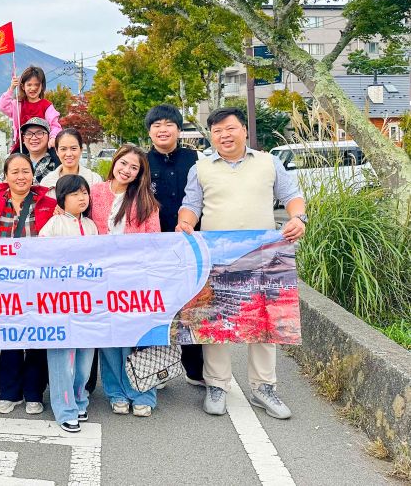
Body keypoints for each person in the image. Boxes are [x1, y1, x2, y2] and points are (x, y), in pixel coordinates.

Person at [177, 107, 307, 420]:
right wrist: (185, 224)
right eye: (218, 131)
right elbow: (191, 205)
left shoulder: (268, 162)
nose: (225, 135)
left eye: (230, 128)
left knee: (264, 320)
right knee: (214, 321)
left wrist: (298, 217)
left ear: (244, 130)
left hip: (263, 254)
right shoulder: (202, 167)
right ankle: (217, 385)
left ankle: (264, 387)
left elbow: (292, 195)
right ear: (212, 136)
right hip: (216, 254)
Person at [0, 153, 56, 415]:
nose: (21, 177)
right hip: (5, 283)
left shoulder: (48, 203)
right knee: (10, 339)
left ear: (33, 174)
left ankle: (34, 393)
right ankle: (9, 392)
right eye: (15, 172)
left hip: (39, 282)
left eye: (25, 171)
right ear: (6, 176)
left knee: (36, 340)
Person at [92, 145, 161, 417]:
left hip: (135, 277)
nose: (127, 170)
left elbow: (154, 241)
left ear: (140, 173)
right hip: (101, 277)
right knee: (111, 339)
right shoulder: (96, 191)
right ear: (115, 162)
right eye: (124, 163)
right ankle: (116, 391)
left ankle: (144, 392)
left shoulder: (146, 201)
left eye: (134, 167)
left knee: (140, 338)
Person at [144, 104, 205, 386]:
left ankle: (196, 370)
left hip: (193, 246)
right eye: (156, 125)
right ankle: (160, 369)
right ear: (150, 132)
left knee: (192, 306)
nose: (162, 130)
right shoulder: (142, 164)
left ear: (179, 130)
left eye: (169, 124)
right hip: (156, 249)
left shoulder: (197, 159)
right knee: (160, 308)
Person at [39, 175, 99, 432]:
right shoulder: (52, 226)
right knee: (63, 358)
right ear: (62, 199)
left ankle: (80, 399)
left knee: (85, 358)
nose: (82, 198)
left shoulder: (92, 226)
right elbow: (42, 263)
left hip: (88, 303)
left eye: (85, 192)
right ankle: (64, 409)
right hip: (60, 304)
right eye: (75, 194)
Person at [0, 65, 62, 151]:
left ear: (42, 86)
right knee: (12, 162)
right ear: (23, 86)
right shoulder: (18, 104)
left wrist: (53, 138)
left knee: (57, 161)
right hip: (22, 145)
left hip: (43, 145)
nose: (33, 88)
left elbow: (55, 126)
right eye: (29, 85)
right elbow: (2, 106)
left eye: (37, 85)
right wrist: (11, 88)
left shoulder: (47, 106)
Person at [39, 128, 104, 199]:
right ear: (57, 152)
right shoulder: (46, 183)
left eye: (73, 148)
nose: (69, 154)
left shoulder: (94, 180)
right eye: (63, 149)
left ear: (81, 150)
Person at [18, 117, 60, 184]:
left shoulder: (58, 164)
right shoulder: (16, 162)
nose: (34, 138)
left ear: (49, 136)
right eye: (28, 134)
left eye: (39, 133)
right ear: (23, 139)